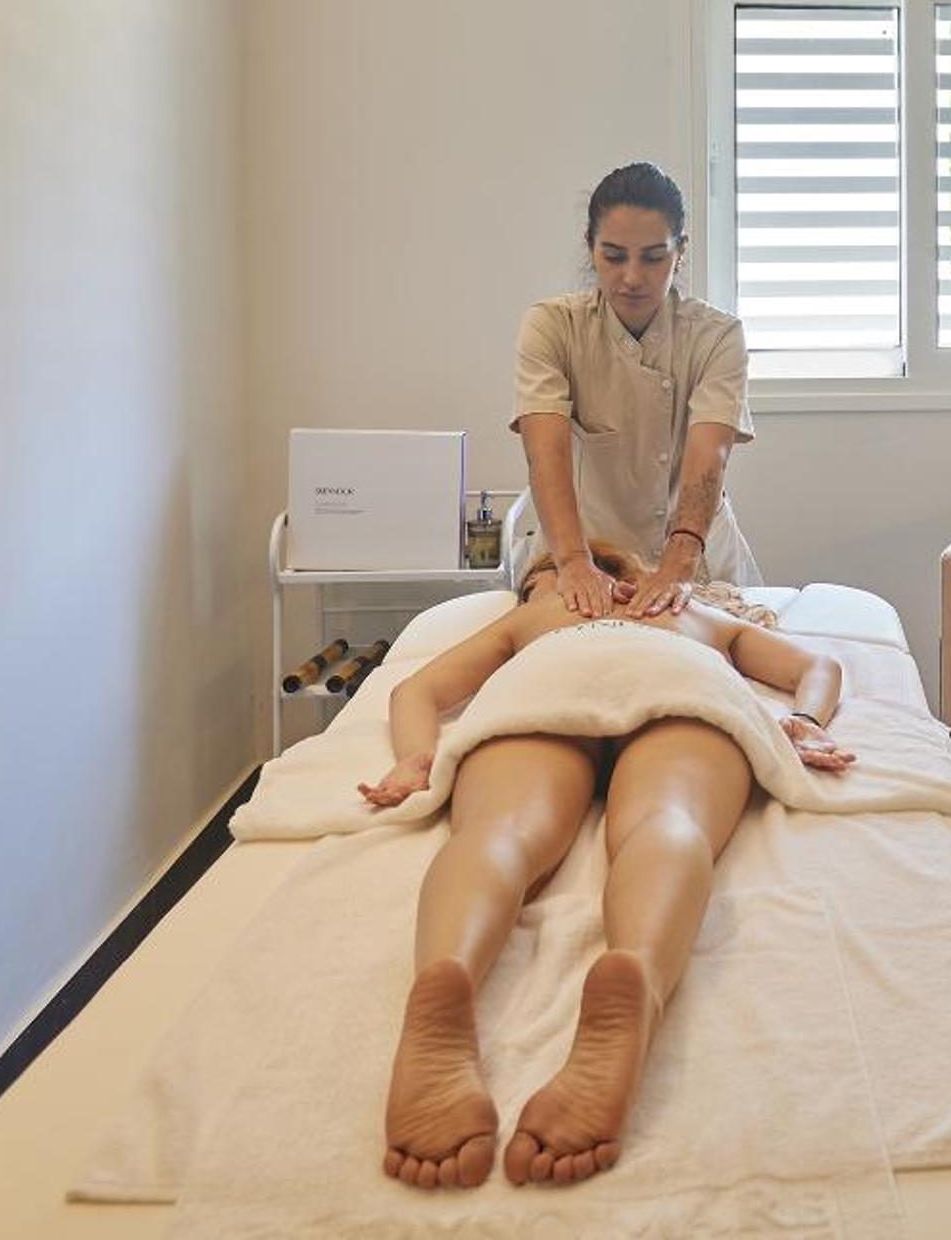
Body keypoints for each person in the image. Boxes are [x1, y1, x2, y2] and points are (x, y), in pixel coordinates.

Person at [358, 539, 854, 1190]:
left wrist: (415, 758)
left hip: (547, 680)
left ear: (539, 583)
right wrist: (806, 720)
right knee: (668, 821)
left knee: (501, 831)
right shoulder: (687, 611)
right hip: (679, 677)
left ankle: (447, 974)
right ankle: (638, 978)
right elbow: (818, 665)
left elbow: (416, 690)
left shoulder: (533, 617)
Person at [503, 162, 760, 618]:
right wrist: (574, 562)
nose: (633, 277)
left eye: (654, 257)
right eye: (614, 256)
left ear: (681, 251)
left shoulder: (717, 337)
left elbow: (710, 456)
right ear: (590, 247)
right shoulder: (553, 327)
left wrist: (679, 565)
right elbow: (545, 452)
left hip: (693, 555)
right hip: (582, 552)